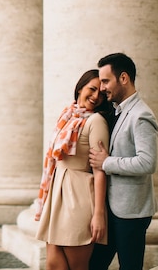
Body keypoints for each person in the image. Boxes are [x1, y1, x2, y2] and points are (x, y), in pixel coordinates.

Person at [35, 69, 112, 270]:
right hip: (58, 194)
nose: (96, 96)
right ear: (80, 88)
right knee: (53, 264)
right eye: (92, 89)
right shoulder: (68, 115)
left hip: (79, 199)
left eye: (101, 94)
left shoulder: (96, 121)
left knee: (77, 266)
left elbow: (100, 170)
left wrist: (98, 214)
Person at [88, 53, 158, 270]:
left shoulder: (141, 115)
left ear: (124, 78)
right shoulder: (118, 111)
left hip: (131, 213)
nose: (101, 88)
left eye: (106, 81)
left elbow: (148, 163)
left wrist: (107, 162)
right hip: (113, 210)